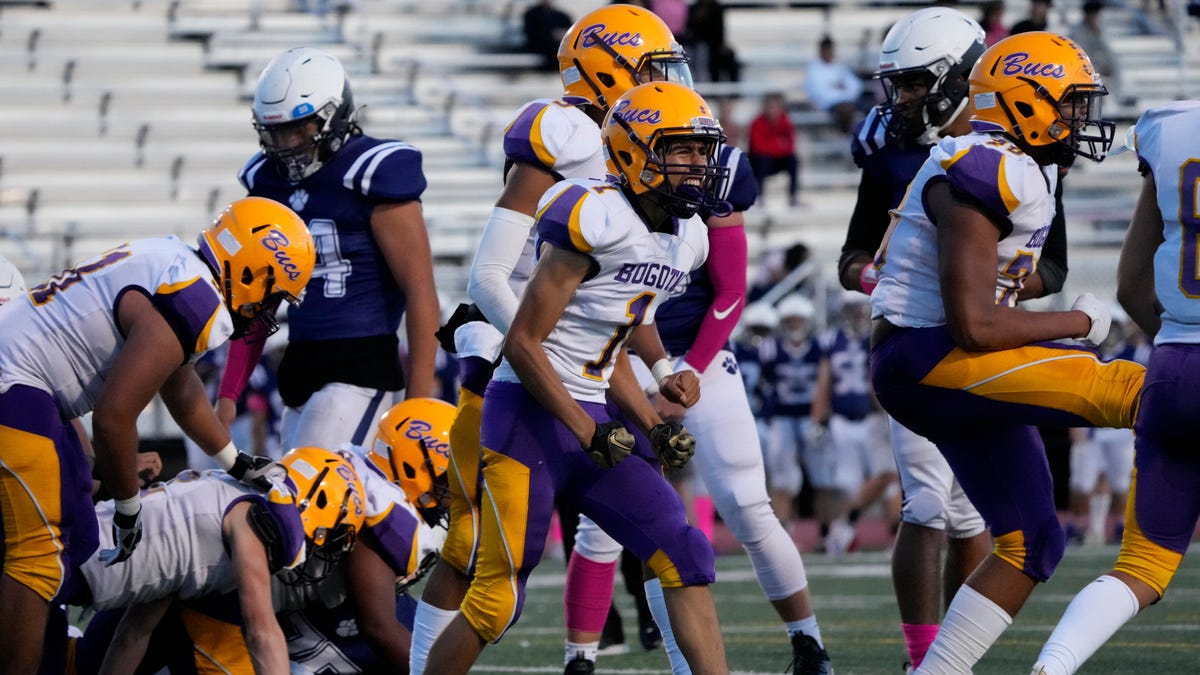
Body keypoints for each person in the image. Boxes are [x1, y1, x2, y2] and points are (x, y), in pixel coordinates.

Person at [409, 8, 695, 675]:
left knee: (667, 536)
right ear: (611, 67)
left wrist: (653, 367)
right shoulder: (565, 130)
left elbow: (618, 293)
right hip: (523, 369)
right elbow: (489, 273)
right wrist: (547, 358)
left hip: (592, 366)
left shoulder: (635, 145)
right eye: (652, 67)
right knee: (475, 556)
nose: (662, 83)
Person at [865, 32, 1144, 675]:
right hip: (926, 357)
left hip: (933, 361)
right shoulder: (984, 164)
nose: (1082, 119)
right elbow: (974, 326)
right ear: (1027, 104)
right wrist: (1079, 321)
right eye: (1071, 105)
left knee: (1031, 542)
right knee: (1137, 390)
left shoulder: (1017, 162)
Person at [836, 10, 1069, 668]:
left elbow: (1051, 267)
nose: (901, 99)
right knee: (928, 500)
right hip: (919, 345)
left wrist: (985, 286)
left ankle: (947, 659)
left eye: (914, 84)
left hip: (984, 344)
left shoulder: (1030, 153)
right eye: (900, 85)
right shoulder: (898, 152)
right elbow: (853, 253)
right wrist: (874, 270)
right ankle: (924, 657)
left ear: (960, 78)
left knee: (986, 521)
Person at [0, 196, 314, 675]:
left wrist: (234, 460)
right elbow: (113, 417)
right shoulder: (193, 298)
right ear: (253, 270)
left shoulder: (177, 268)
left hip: (31, 389)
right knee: (38, 559)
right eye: (274, 296)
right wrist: (128, 508)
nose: (268, 311)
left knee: (78, 535)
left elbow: (180, 385)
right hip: (17, 386)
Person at [627, 147, 833, 673]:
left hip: (703, 357)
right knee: (645, 520)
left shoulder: (716, 173)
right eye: (684, 149)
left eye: (701, 149)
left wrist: (687, 371)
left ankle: (808, 643)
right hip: (619, 360)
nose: (699, 161)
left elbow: (731, 289)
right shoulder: (596, 174)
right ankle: (605, 655)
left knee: (746, 504)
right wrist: (651, 378)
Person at [1030, 100, 1200, 675]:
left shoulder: (1172, 130)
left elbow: (1131, 287)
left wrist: (1177, 341)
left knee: (1142, 566)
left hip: (1174, 368)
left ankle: (1053, 666)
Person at [217, 46, 440, 457]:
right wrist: (229, 392)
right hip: (299, 363)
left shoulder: (372, 171)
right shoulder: (266, 182)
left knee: (309, 494)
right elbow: (257, 301)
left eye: (299, 128)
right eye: (277, 131)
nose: (287, 144)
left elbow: (421, 290)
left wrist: (418, 402)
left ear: (334, 116)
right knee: (299, 504)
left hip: (361, 363)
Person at [68, 446, 360, 674]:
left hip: (78, 557)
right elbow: (261, 631)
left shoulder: (199, 534)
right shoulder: (250, 518)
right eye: (325, 539)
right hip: (70, 558)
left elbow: (133, 633)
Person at [804, 35, 864, 134]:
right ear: (821, 51)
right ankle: (847, 136)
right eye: (827, 50)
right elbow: (818, 92)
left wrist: (844, 96)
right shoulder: (814, 69)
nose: (829, 53)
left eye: (831, 49)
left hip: (846, 102)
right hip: (828, 104)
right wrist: (840, 95)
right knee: (845, 110)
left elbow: (855, 85)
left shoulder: (839, 66)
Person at [748, 92, 800, 207]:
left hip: (777, 160)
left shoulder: (786, 121)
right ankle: (759, 197)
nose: (773, 110)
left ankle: (793, 197)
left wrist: (771, 146)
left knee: (793, 160)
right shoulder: (757, 122)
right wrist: (778, 144)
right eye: (770, 106)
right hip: (761, 161)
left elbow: (791, 146)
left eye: (775, 106)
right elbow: (757, 147)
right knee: (761, 159)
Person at [1069, 1, 1118, 95]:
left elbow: (1107, 52)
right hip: (1083, 70)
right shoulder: (1077, 31)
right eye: (1093, 14)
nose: (1095, 17)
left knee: (1115, 65)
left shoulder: (1101, 29)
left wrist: (1098, 34)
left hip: (1098, 69)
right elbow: (1081, 57)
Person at [524, 0, 574, 71]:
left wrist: (562, 35)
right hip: (542, 49)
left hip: (558, 48)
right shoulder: (531, 15)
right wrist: (553, 35)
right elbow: (533, 35)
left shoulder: (562, 16)